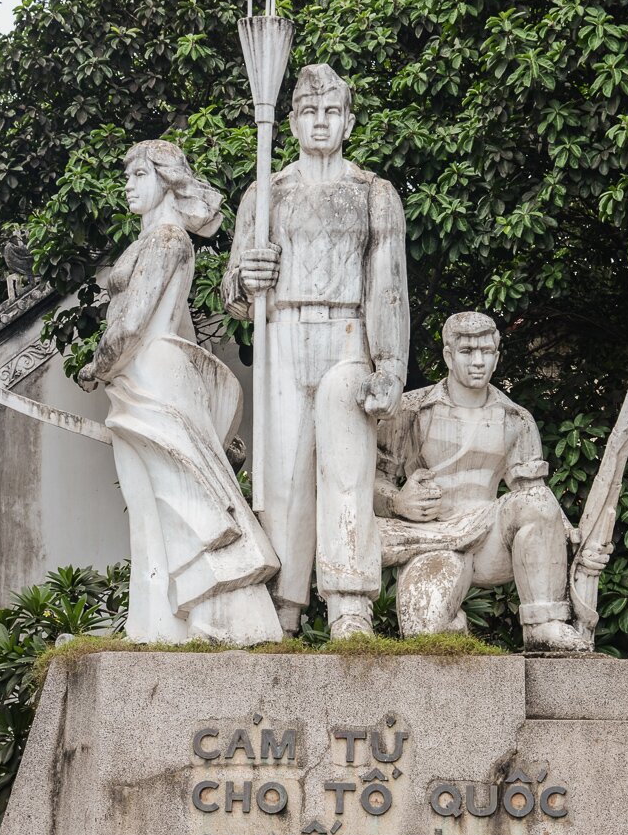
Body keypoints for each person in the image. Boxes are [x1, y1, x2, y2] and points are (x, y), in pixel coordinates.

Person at [221, 64, 409, 638]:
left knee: (346, 465)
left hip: (349, 334)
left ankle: (349, 600)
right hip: (283, 334)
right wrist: (247, 278)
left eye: (331, 112)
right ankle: (284, 605)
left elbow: (389, 284)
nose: (320, 122)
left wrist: (392, 364)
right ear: (293, 122)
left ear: (348, 121)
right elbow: (231, 294)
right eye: (309, 112)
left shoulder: (373, 194)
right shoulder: (265, 192)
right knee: (280, 477)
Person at [78, 139, 281, 645]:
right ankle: (156, 625)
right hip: (149, 377)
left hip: (148, 376)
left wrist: (96, 366)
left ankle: (194, 621)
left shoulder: (166, 240)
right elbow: (182, 331)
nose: (126, 184)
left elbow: (129, 326)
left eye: (137, 174)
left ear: (166, 180)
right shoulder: (163, 241)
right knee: (157, 505)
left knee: (174, 502)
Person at [374, 311, 610, 650]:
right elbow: (370, 481)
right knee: (424, 639)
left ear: (497, 357)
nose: (478, 362)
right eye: (468, 352)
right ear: (448, 356)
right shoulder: (410, 410)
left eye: (487, 352)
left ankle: (544, 623)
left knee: (537, 499)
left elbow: (534, 499)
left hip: (490, 538)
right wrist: (398, 501)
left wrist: (579, 543)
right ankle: (453, 626)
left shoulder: (516, 418)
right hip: (431, 537)